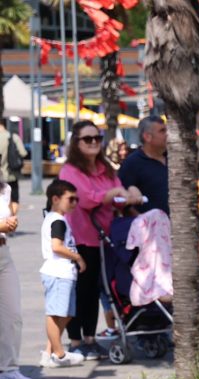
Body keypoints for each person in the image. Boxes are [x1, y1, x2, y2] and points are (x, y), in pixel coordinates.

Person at [59, 120, 144, 360]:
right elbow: (82, 199)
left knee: (98, 290)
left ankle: (90, 339)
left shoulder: (105, 169)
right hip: (81, 239)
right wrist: (112, 195)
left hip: (105, 239)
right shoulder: (70, 171)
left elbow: (120, 191)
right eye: (88, 139)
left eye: (97, 138)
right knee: (81, 291)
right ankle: (75, 341)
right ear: (76, 143)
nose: (94, 142)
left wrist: (130, 193)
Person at [39, 179, 86, 368]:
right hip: (58, 272)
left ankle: (49, 351)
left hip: (63, 273)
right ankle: (58, 355)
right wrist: (78, 257)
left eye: (76, 199)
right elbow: (57, 247)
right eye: (71, 199)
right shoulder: (57, 220)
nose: (75, 203)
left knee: (65, 313)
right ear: (55, 199)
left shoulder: (56, 218)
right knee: (55, 313)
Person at [0, 174, 33, 379]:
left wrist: (10, 223)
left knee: (12, 315)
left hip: (3, 255)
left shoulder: (5, 189)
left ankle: (8, 369)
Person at [118, 115, 169, 214]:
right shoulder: (132, 163)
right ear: (147, 137)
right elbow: (124, 201)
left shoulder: (173, 159)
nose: (167, 134)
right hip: (148, 227)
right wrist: (142, 221)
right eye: (162, 131)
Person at [0, 119, 27, 217]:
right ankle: (10, 222)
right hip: (11, 175)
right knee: (14, 201)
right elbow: (23, 152)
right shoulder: (13, 137)